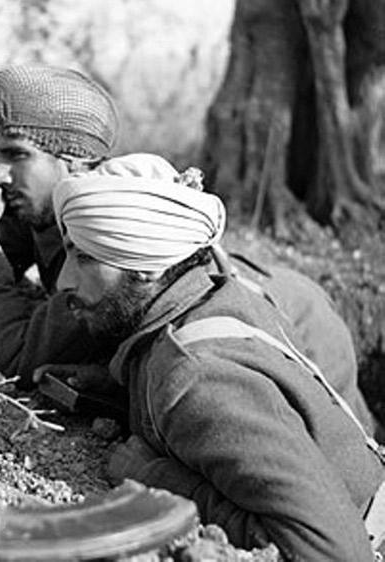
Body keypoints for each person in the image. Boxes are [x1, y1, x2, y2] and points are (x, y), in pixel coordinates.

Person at [0, 64, 375, 435]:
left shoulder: (104, 244)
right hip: (282, 299)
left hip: (298, 326)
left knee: (347, 459)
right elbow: (12, 247)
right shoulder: (47, 211)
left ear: (75, 165)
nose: (0, 175)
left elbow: (15, 352)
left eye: (17, 156)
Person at [43, 167, 385, 561]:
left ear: (149, 265)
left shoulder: (195, 378)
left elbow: (333, 553)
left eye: (86, 257)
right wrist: (119, 386)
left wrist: (158, 480)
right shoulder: (213, 295)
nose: (63, 282)